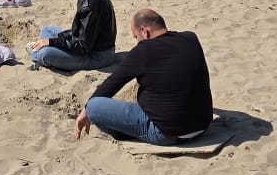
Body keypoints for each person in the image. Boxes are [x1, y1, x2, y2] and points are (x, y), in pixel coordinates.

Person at [74, 10, 214, 145]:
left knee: (94, 106)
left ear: (144, 31)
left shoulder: (143, 50)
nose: (137, 42)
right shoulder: (190, 38)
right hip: (202, 127)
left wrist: (86, 111)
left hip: (166, 133)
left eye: (136, 37)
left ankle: (126, 133)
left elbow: (112, 83)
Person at [30, 0, 118, 72]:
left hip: (98, 55)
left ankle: (35, 55)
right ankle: (38, 51)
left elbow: (82, 46)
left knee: (44, 54)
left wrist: (51, 42)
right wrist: (56, 40)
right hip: (89, 45)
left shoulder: (90, 5)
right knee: (47, 31)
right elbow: (79, 31)